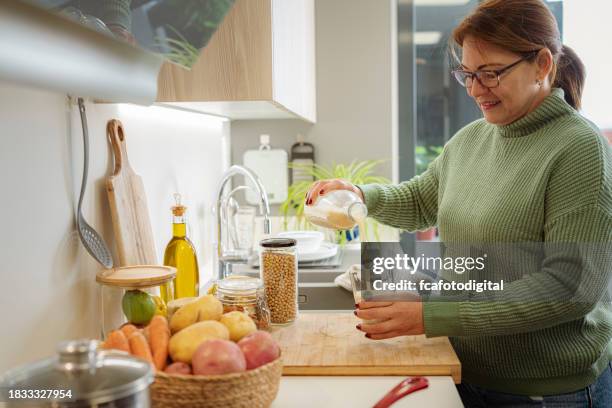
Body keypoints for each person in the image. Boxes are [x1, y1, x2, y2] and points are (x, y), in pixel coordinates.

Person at [305, 0, 612, 406]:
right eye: (467, 74)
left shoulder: (579, 149)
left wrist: (433, 314)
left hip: (544, 390)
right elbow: (420, 199)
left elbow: (569, 288)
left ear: (541, 64)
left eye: (489, 74)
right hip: (466, 369)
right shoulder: (472, 140)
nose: (473, 89)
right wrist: (362, 196)